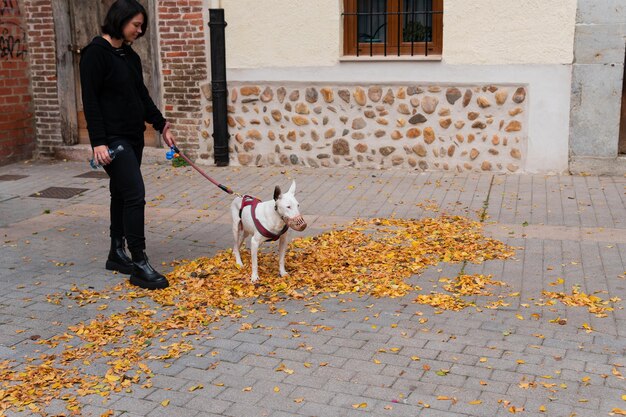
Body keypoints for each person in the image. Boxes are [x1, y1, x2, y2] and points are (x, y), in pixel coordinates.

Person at [80, 0, 174, 289]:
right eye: (136, 24)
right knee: (135, 193)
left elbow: (141, 96)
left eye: (142, 25)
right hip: (113, 141)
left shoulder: (129, 56)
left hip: (133, 136)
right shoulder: (95, 54)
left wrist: (162, 125)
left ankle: (116, 253)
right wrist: (98, 142)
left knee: (121, 193)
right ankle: (139, 262)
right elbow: (91, 101)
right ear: (119, 20)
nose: (140, 29)